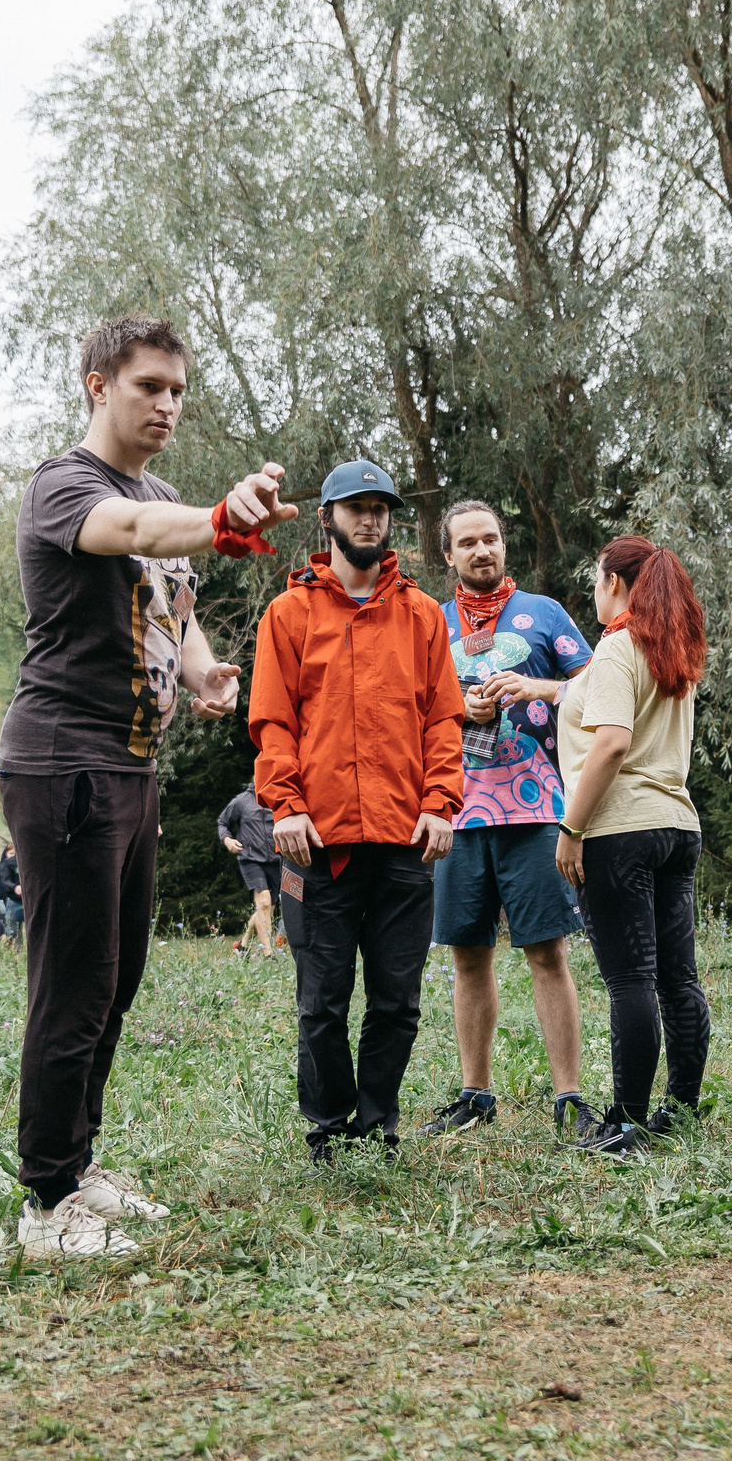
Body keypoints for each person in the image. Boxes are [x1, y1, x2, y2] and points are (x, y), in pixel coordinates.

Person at [0, 314, 300, 1257]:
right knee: (74, 980)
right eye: (148, 387)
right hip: (63, 760)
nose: (167, 404)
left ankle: (78, 1163)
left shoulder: (159, 492)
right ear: (99, 386)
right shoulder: (67, 485)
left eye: (177, 390)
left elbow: (173, 599)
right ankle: (46, 1200)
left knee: (117, 976)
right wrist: (222, 517)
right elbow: (130, 533)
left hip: (130, 765)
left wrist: (202, 671)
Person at [249, 461, 464, 1159]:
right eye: (356, 507)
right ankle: (328, 1123)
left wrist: (441, 803)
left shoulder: (422, 615)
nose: (370, 520)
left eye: (380, 508)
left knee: (398, 1000)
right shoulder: (288, 615)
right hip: (316, 842)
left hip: (406, 838)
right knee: (322, 1000)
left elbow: (443, 720)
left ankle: (377, 1124)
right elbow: (273, 722)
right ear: (327, 518)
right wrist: (285, 806)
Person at [423, 499, 595, 1137]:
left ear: (503, 544)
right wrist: (457, 709)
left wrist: (536, 688)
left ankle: (570, 1098)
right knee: (468, 957)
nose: (482, 551)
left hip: (537, 810)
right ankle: (475, 1095)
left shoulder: (544, 614)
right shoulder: (430, 623)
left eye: (490, 539)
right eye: (467, 543)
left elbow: (601, 688)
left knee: (548, 954)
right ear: (448, 555)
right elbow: (410, 711)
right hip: (457, 813)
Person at [555, 537, 714, 1156]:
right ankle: (682, 1109)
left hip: (619, 830)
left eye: (596, 579)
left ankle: (625, 1124)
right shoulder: (672, 649)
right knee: (678, 979)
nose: (594, 591)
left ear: (616, 584)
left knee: (630, 981)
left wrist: (572, 829)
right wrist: (543, 692)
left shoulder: (617, 646)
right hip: (676, 825)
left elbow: (613, 742)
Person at [216, 775, 282, 957]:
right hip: (251, 859)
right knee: (264, 903)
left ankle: (242, 946)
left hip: (276, 860)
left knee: (266, 910)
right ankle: (269, 954)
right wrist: (227, 840)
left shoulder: (278, 798)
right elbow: (222, 823)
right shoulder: (242, 801)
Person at [0, 843, 24, 946]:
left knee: (15, 932)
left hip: (14, 902)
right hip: (1, 904)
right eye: (11, 853)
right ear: (5, 853)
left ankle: (15, 953)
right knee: (0, 933)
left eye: (15, 853)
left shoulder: (21, 868)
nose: (13, 856)